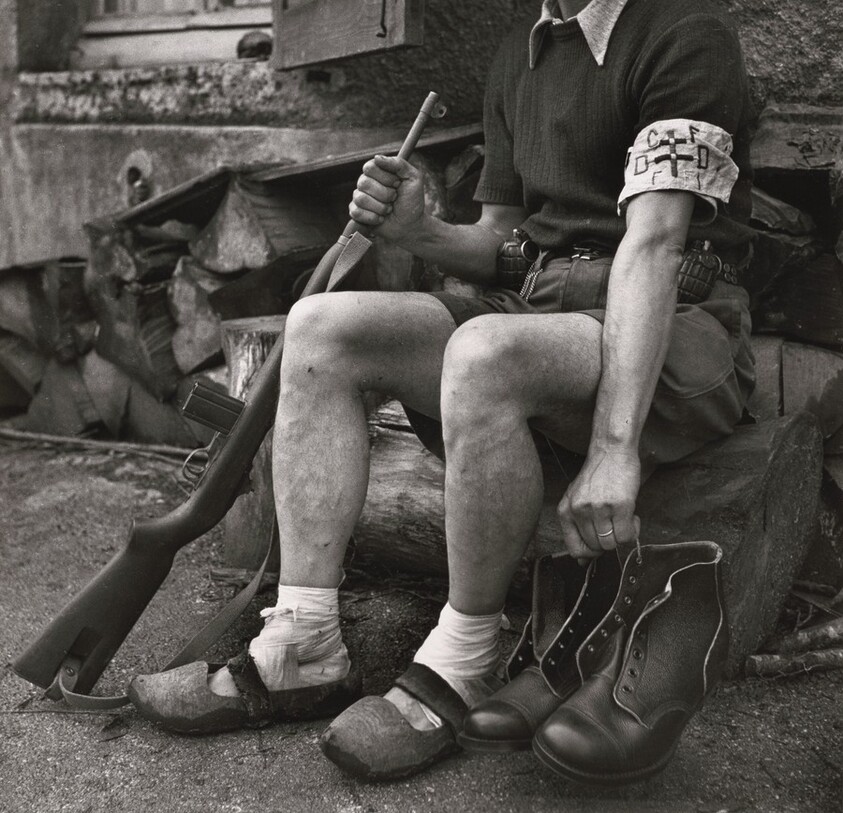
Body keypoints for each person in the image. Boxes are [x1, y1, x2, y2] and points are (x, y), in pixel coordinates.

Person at [129, 0, 756, 786]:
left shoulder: (681, 36)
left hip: (677, 330)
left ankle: (465, 658)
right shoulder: (519, 55)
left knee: (484, 350)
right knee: (321, 327)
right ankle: (302, 644)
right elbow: (503, 241)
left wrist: (612, 450)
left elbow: (656, 242)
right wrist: (420, 231)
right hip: (543, 318)